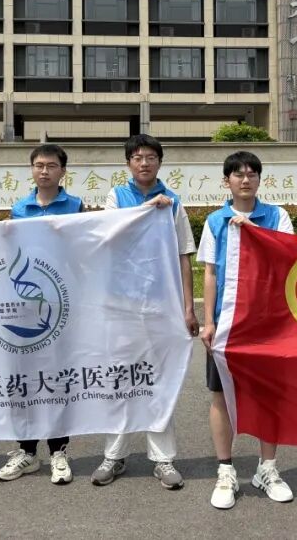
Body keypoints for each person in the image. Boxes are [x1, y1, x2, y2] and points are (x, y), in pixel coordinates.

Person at [90, 134, 198, 490]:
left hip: (161, 305)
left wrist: (188, 308)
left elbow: (184, 256)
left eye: (151, 157)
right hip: (120, 304)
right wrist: (147, 209)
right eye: (137, 157)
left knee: (159, 381)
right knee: (120, 379)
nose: (144, 163)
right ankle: (114, 455)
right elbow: (107, 234)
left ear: (159, 162)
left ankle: (163, 459)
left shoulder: (173, 203)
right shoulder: (116, 197)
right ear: (128, 164)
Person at [198, 151, 295, 509]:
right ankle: (225, 470)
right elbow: (210, 273)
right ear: (226, 181)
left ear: (259, 180)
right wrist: (209, 322)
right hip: (227, 322)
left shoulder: (277, 216)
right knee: (221, 395)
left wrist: (254, 233)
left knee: (268, 395)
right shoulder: (216, 221)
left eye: (252, 173)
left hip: (268, 322)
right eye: (237, 174)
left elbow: (288, 258)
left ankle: (267, 468)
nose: (245, 179)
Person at [0, 144, 84, 486]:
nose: (44, 171)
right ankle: (27, 451)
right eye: (38, 165)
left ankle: (59, 451)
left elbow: (86, 248)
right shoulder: (20, 208)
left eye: (51, 165)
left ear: (63, 171)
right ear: (31, 170)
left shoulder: (75, 206)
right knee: (25, 379)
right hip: (24, 306)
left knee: (57, 377)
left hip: (61, 304)